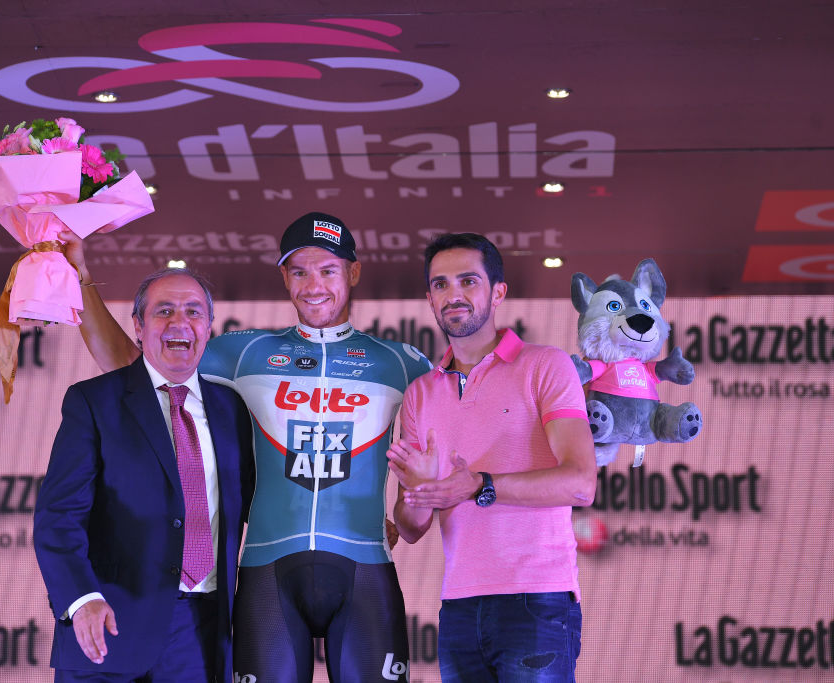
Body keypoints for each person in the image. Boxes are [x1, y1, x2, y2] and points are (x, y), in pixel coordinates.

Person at [60, 211, 431, 682]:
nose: (313, 285)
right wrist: (82, 279)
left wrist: (417, 500)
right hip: (267, 571)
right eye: (299, 271)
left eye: (328, 270)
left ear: (353, 272)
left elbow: (457, 432)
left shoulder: (400, 362)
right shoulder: (244, 353)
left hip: (364, 568)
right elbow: (132, 365)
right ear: (283, 277)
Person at [387, 232, 597, 682]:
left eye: (468, 281)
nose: (453, 295)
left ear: (498, 292)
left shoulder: (546, 365)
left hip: (537, 600)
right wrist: (422, 494)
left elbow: (581, 481)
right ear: (429, 298)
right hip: (458, 606)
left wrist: (480, 484)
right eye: (440, 285)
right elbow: (409, 529)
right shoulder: (420, 394)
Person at [33, 269, 254, 682]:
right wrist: (81, 599)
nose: (179, 322)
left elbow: (261, 508)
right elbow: (57, 518)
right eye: (164, 311)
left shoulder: (232, 410)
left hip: (201, 635)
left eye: (193, 311)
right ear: (138, 325)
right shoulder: (93, 402)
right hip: (106, 627)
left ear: (209, 328)